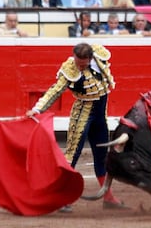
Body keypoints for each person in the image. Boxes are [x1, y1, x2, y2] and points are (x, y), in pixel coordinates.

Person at [25, 43, 125, 211]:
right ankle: (62, 198)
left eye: (83, 63)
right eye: (78, 62)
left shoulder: (99, 57)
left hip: (100, 115)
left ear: (90, 58)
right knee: (72, 155)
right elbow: (55, 90)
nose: (79, 66)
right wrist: (37, 109)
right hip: (82, 115)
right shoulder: (70, 68)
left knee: (102, 156)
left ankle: (108, 198)